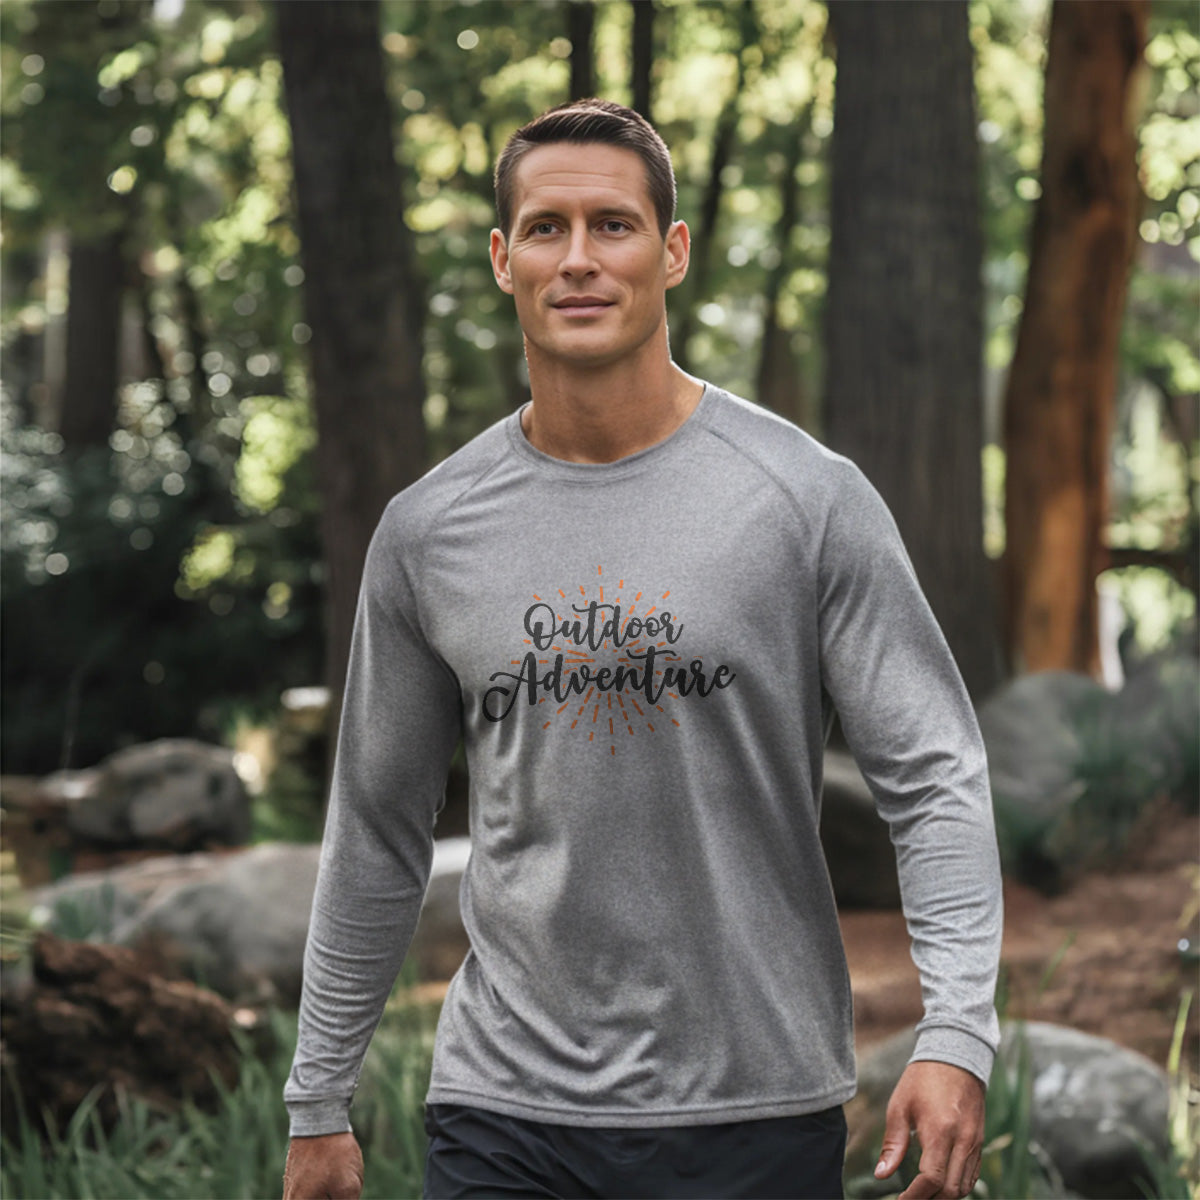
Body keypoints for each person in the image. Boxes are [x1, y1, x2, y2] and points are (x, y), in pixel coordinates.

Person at [282, 99, 1002, 1200]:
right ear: (503, 258)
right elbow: (378, 826)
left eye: (612, 225)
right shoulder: (428, 532)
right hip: (504, 1109)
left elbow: (934, 772)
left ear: (671, 252)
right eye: (546, 228)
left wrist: (956, 1032)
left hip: (754, 1104)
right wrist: (319, 1096)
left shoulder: (805, 500)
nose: (578, 259)